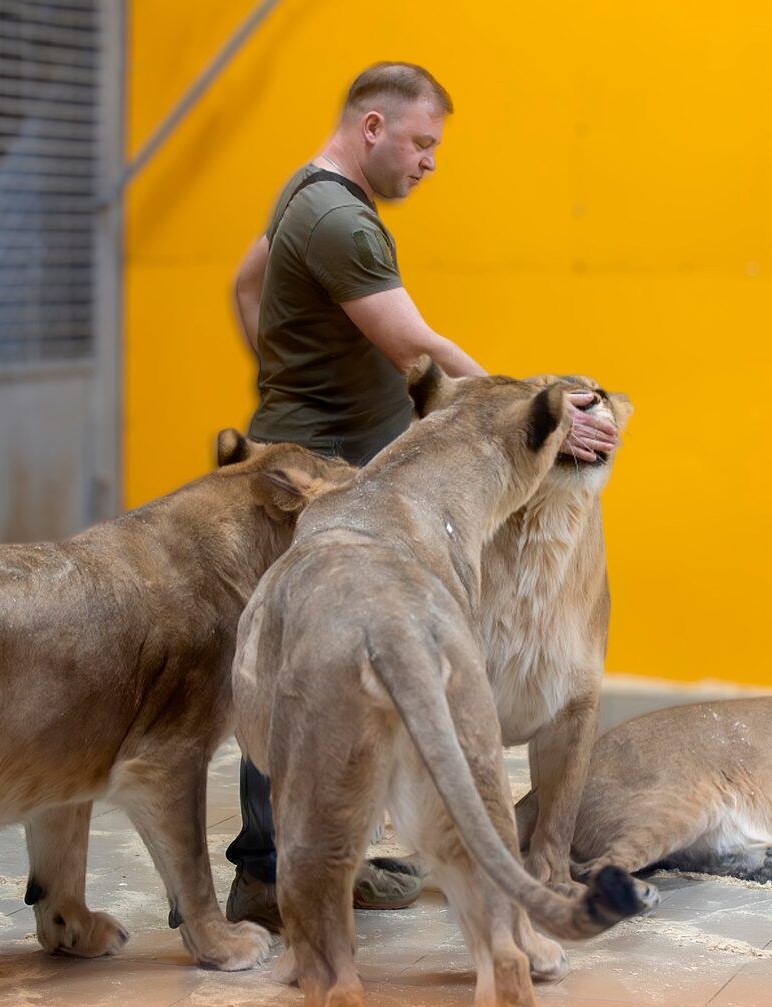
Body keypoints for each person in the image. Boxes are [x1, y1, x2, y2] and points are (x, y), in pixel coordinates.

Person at [225, 62, 619, 929]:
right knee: (304, 674)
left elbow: (247, 285)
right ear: (373, 127)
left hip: (314, 448)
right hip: (325, 469)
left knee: (318, 668)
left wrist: (288, 380)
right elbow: (425, 351)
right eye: (422, 142)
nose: (430, 162)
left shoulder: (305, 192)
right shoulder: (341, 222)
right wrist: (543, 423)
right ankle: (273, 875)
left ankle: (307, 862)